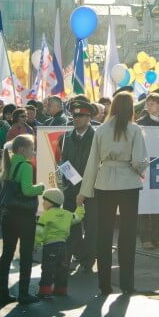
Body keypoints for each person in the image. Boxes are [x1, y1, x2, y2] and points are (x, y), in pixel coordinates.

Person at [77, 91, 149, 295]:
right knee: (127, 236)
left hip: (105, 183)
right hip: (128, 184)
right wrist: (143, 167)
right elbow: (138, 162)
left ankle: (104, 284)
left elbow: (92, 162)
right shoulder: (135, 129)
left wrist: (84, 191)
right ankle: (127, 284)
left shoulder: (100, 130)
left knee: (104, 234)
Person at [0, 134, 45, 305]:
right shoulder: (25, 166)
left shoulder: (8, 163)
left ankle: (3, 292)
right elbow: (27, 190)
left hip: (8, 215)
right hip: (24, 216)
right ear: (22, 149)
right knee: (25, 254)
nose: (33, 151)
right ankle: (23, 293)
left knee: (7, 253)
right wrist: (41, 187)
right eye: (32, 148)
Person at [58, 100, 98, 270]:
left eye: (81, 115)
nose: (77, 118)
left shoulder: (97, 136)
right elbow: (64, 163)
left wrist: (85, 185)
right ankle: (75, 254)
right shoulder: (65, 138)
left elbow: (98, 163)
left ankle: (88, 261)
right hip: (72, 189)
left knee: (91, 227)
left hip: (93, 189)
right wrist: (75, 183)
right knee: (71, 226)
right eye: (74, 115)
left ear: (89, 117)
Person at [135, 94, 159, 249]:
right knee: (145, 204)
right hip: (146, 166)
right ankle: (145, 238)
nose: (149, 106)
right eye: (148, 104)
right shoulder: (141, 123)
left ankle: (158, 237)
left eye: (152, 104)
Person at [35, 188, 85, 298]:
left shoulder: (45, 215)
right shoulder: (67, 214)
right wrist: (80, 207)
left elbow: (39, 232)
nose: (43, 203)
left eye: (44, 200)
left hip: (49, 246)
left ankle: (45, 291)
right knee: (61, 268)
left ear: (50, 202)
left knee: (48, 269)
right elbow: (77, 217)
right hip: (63, 246)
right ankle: (61, 289)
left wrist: (35, 244)